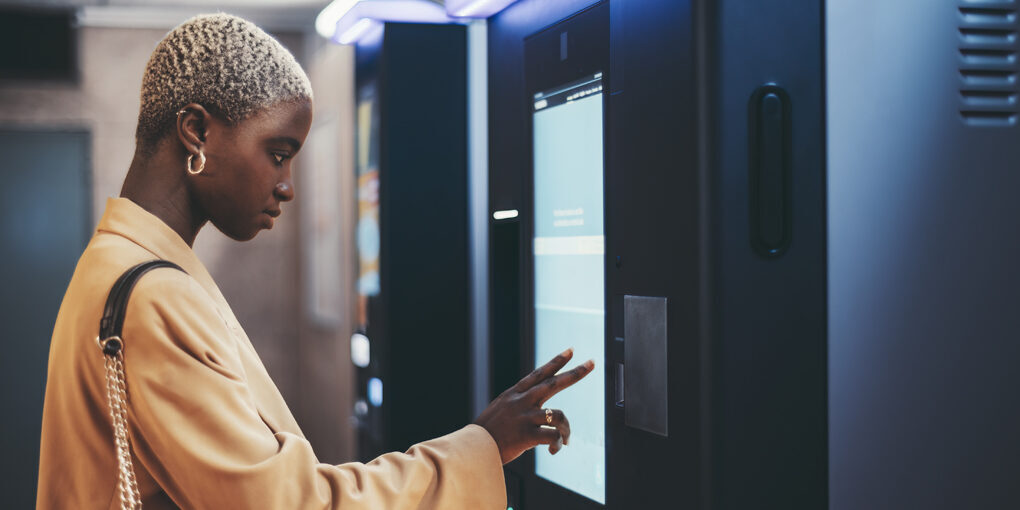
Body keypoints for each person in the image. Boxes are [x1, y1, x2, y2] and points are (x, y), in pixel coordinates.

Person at [36, 13, 593, 509]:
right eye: (278, 155)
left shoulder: (114, 259)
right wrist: (483, 447)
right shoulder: (153, 295)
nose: (287, 187)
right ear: (197, 131)